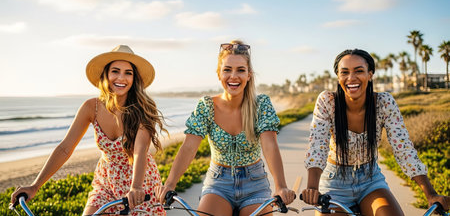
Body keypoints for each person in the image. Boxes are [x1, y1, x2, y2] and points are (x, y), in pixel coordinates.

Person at [11, 45, 166, 215]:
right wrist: (35, 186)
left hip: (140, 183)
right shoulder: (92, 107)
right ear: (106, 75)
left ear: (134, 78)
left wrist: (136, 187)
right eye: (115, 71)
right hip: (106, 181)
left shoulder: (142, 109)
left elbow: (140, 151)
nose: (121, 77)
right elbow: (65, 148)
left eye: (128, 73)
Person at [301, 49, 449, 215]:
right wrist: (312, 188)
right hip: (334, 181)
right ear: (338, 76)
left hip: (370, 180)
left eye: (359, 71)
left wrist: (430, 194)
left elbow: (404, 149)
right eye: (344, 72)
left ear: (370, 74)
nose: (351, 78)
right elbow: (317, 146)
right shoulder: (328, 102)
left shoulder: (384, 103)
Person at [155, 40, 296, 215]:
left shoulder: (261, 105)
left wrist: (280, 186)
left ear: (249, 75)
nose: (233, 76)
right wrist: (169, 184)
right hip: (218, 183)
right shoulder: (207, 106)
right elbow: (189, 147)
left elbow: (270, 145)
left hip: (255, 183)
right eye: (227, 70)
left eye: (240, 70)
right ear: (219, 74)